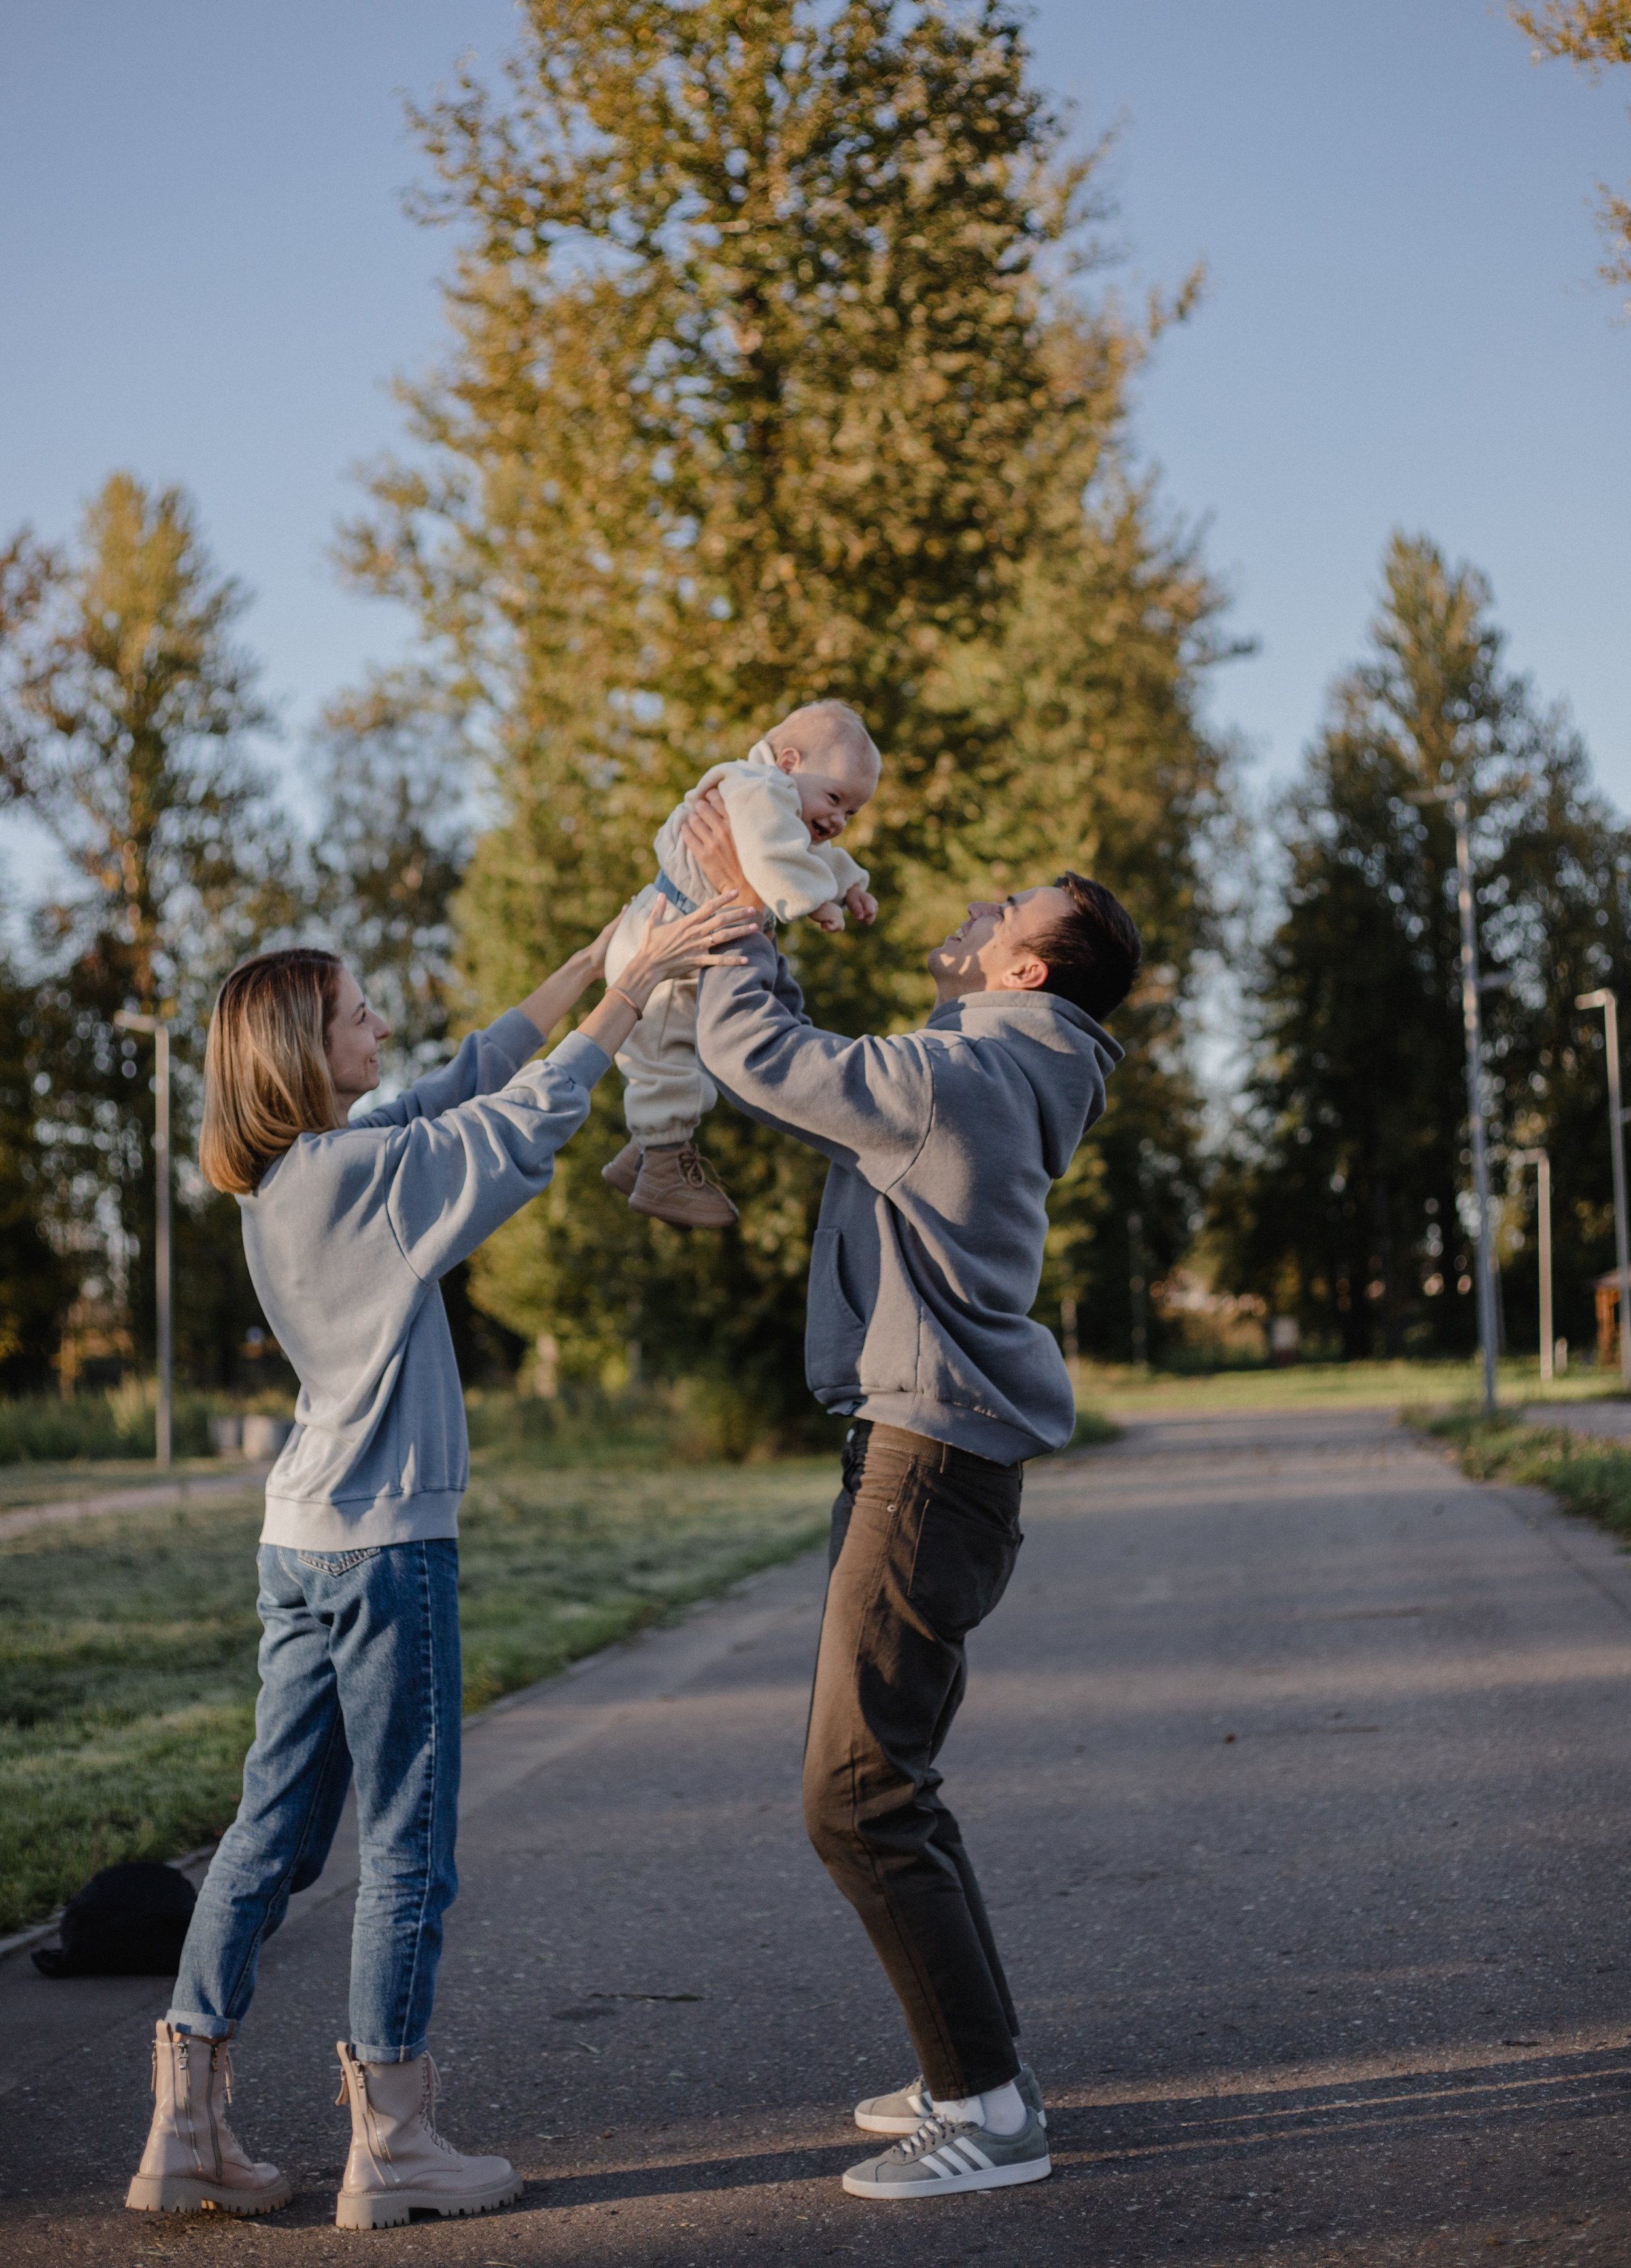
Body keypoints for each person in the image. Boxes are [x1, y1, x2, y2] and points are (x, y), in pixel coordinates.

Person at [124, 893, 754, 2233]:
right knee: (407, 1848)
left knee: (265, 1833)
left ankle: (185, 2129)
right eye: (356, 1013)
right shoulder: (367, 1179)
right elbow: (522, 1123)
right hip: (383, 1551)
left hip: (299, 1541)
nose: (378, 1024)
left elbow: (469, 1077)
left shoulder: (298, 1176)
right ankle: (395, 2145)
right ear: (305, 1046)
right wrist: (632, 998)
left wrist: (592, 959)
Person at [684, 789, 1141, 2203]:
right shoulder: (984, 1068)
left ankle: (988, 2112)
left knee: (855, 1797)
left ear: (1024, 972)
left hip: (926, 1468)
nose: (976, 906)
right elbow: (833, 1076)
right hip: (932, 1457)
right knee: (892, 1785)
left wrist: (741, 905)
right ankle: (972, 2063)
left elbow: (754, 1053)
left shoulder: (966, 1080)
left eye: (1002, 909)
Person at [598, 699, 880, 1228]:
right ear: (790, 762)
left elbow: (805, 857)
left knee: (685, 1055)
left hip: (683, 937)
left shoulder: (778, 802)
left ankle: (638, 1161)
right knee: (666, 1054)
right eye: (836, 799)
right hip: (661, 944)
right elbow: (772, 860)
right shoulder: (759, 790)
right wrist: (816, 901)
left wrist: (850, 886)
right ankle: (663, 1168)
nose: (840, 820)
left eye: (853, 813)